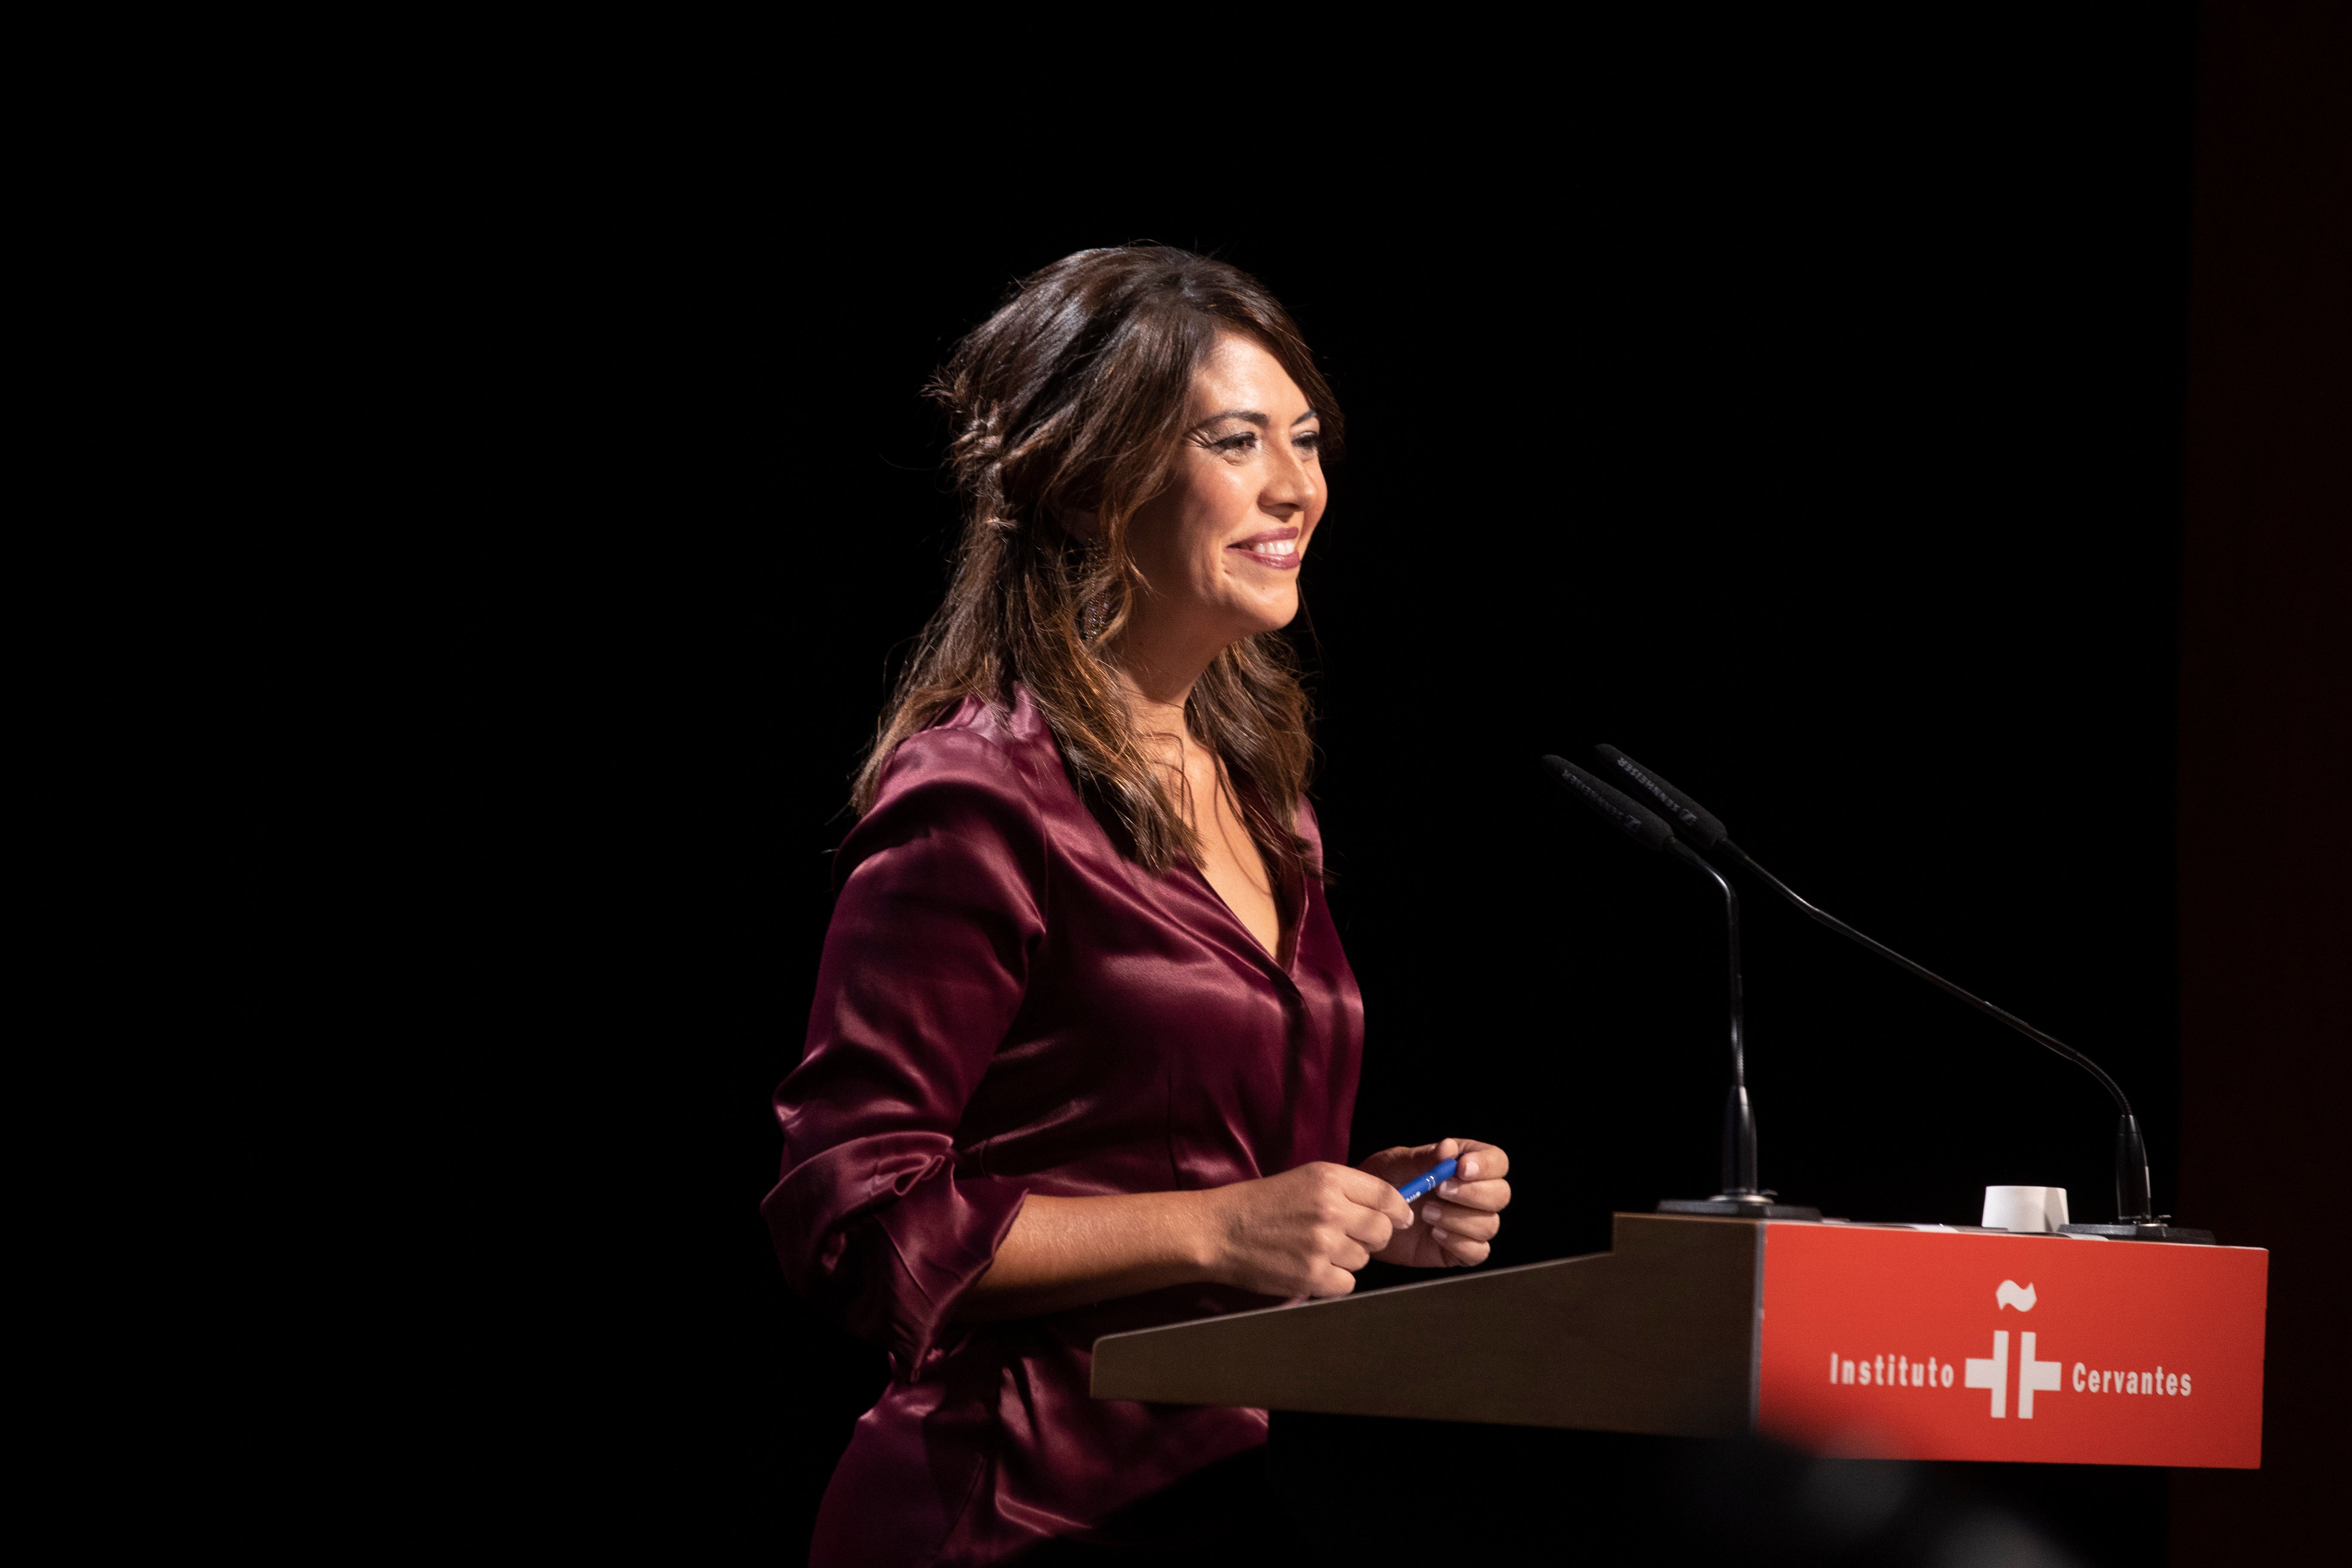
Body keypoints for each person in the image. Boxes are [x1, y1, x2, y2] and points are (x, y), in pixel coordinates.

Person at [763, 245, 1513, 1565]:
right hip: (999, 1517)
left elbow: (1164, 1158)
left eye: (1306, 438)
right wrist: (1229, 1224)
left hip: (1212, 1505)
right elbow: (854, 1216)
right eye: (1237, 442)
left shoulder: (1266, 801)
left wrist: (1360, 1206)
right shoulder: (983, 796)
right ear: (1096, 484)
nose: (1299, 488)